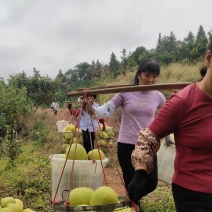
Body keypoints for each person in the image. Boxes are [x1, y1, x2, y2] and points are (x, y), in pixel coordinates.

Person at [128, 44, 212, 211]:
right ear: (208, 59)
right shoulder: (183, 101)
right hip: (194, 194)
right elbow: (147, 138)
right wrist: (140, 172)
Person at [94, 59, 174, 194]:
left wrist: (167, 134)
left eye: (154, 76)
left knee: (151, 183)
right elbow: (107, 109)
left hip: (147, 146)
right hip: (127, 145)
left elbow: (168, 115)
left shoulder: (158, 96)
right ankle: (134, 205)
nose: (150, 80)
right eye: (147, 75)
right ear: (138, 75)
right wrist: (90, 110)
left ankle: (133, 200)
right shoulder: (126, 92)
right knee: (132, 181)